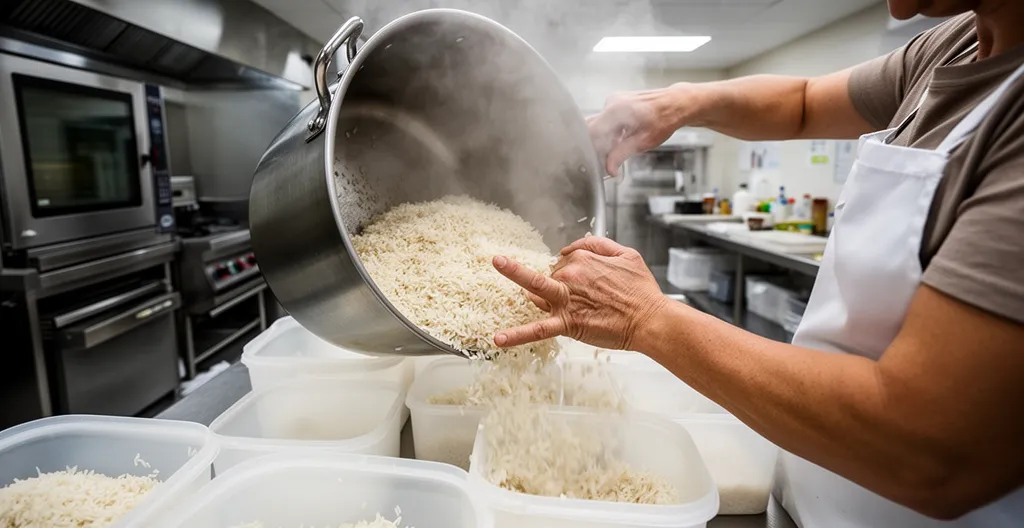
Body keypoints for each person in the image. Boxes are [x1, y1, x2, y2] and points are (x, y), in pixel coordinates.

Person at [491, 0, 1024, 526]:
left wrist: (645, 317)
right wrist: (678, 102)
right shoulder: (953, 44)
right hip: (807, 490)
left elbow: (932, 450)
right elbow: (803, 102)